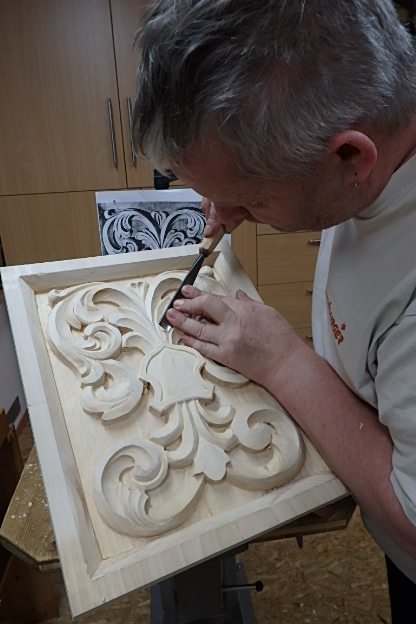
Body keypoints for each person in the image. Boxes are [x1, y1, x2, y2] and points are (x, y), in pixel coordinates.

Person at [131, 1, 416, 620]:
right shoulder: (376, 136)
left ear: (350, 159)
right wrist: (237, 188)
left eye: (248, 200)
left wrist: (284, 361)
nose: (223, 215)